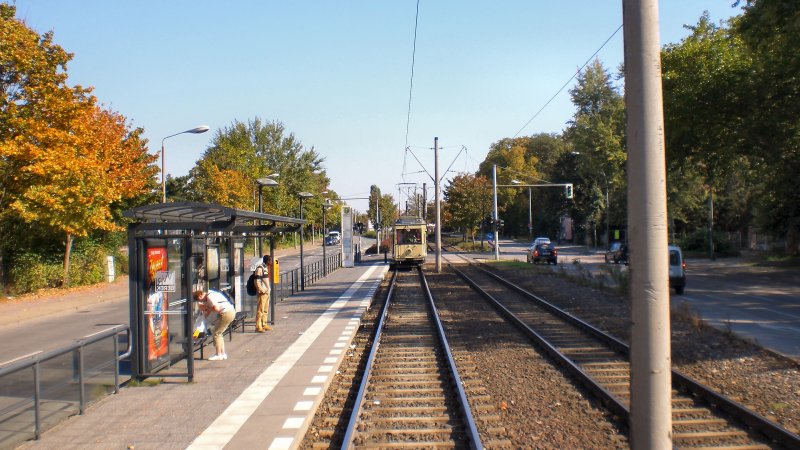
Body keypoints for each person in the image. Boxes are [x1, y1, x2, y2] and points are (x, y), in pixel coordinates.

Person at [193, 289, 236, 361]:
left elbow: (216, 308)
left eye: (200, 300)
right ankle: (222, 353)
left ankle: (218, 354)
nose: (201, 302)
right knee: (219, 333)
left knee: (216, 333)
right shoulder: (210, 292)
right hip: (230, 311)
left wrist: (207, 309)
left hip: (225, 313)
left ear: (200, 296)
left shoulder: (210, 297)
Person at [254, 255, 272, 332]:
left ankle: (264, 324)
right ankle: (258, 326)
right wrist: (261, 290)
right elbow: (257, 281)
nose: (271, 262)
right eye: (270, 260)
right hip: (262, 293)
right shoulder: (260, 268)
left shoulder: (265, 268)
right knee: (260, 310)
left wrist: (268, 290)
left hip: (267, 292)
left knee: (265, 309)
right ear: (267, 261)